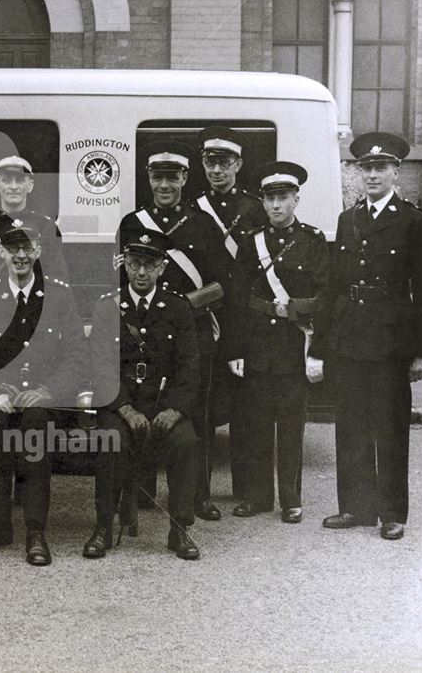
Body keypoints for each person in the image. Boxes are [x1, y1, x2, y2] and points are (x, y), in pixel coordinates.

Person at [316, 132, 422, 540]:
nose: (371, 175)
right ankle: (355, 508)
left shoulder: (413, 221)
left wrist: (421, 352)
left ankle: (392, 512)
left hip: (391, 343)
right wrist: (323, 344)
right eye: (365, 168)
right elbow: (334, 286)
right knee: (350, 425)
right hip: (350, 339)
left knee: (388, 427)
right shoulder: (348, 220)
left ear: (395, 172)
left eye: (380, 167)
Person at [119, 141, 231, 521]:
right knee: (145, 403)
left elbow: (220, 283)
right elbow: (124, 279)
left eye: (173, 176)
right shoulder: (133, 223)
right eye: (158, 176)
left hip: (191, 330)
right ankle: (143, 490)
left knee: (195, 414)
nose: (165, 184)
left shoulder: (202, 223)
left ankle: (197, 496)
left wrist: (183, 307)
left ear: (185, 178)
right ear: (149, 179)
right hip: (144, 332)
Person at [0, 215, 86, 566]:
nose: (20, 254)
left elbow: (77, 356)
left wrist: (49, 390)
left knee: (35, 427)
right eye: (12, 247)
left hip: (45, 401)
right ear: (1, 252)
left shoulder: (59, 297)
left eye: (27, 247)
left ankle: (35, 532)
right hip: (1, 399)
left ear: (38, 251)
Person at [86, 222, 201, 560]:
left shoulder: (178, 309)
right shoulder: (107, 307)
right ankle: (103, 526)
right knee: (112, 443)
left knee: (185, 442)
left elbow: (190, 367)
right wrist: (125, 409)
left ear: (162, 267)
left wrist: (174, 410)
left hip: (165, 404)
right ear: (124, 263)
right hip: (121, 404)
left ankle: (179, 529)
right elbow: (100, 367)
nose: (141, 272)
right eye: (134, 263)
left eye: (149, 265)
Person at [223, 162, 329, 523]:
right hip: (256, 345)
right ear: (263, 202)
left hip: (292, 346)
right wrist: (235, 349)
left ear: (296, 199)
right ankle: (258, 496)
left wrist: (315, 349)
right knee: (256, 425)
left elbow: (325, 297)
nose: (276, 205)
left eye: (283, 197)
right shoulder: (250, 241)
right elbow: (237, 299)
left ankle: (291, 498)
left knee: (290, 427)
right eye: (270, 198)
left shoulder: (313, 241)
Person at [193, 126, 267, 499]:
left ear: (238, 164)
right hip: (207, 317)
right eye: (210, 162)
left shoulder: (255, 207)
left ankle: (246, 491)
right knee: (204, 404)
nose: (217, 170)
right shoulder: (194, 207)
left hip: (245, 319)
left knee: (244, 407)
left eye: (224, 162)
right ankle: (200, 491)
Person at [0, 155, 68, 284]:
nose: (14, 186)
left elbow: (57, 277)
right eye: (7, 180)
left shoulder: (46, 227)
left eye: (19, 180)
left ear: (30, 185)